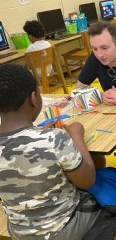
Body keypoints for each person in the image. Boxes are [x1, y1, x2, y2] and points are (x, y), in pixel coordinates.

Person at [0, 64, 101, 239]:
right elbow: (87, 180)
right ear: (34, 98)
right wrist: (76, 136)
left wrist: (40, 134)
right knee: (104, 191)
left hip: (19, 233)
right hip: (64, 229)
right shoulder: (54, 139)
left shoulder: (48, 138)